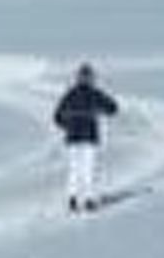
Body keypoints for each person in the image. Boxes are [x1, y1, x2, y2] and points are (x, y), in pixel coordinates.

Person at [51, 63, 119, 214]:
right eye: (88, 76)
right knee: (87, 169)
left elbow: (57, 117)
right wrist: (98, 111)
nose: (88, 79)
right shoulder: (94, 93)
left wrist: (68, 125)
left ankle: (73, 199)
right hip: (88, 137)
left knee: (75, 169)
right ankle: (87, 200)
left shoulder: (70, 94)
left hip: (73, 138)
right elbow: (113, 108)